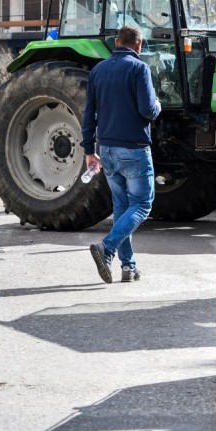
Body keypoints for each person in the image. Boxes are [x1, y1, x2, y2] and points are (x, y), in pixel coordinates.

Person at [82, 24, 161, 284]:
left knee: (122, 207)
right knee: (142, 204)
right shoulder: (140, 69)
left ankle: (128, 267)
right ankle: (108, 247)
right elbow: (148, 110)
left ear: (117, 42)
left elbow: (88, 113)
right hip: (134, 150)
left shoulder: (98, 71)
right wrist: (158, 104)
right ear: (138, 45)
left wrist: (88, 150)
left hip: (107, 150)